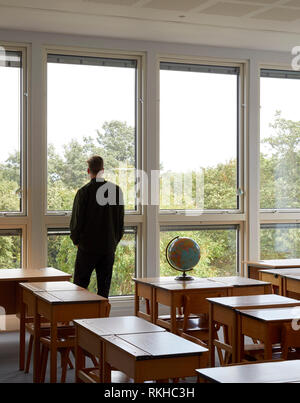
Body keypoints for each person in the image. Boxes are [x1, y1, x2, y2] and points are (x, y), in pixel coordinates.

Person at [70, 156, 124, 298]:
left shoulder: (84, 192)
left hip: (87, 248)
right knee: (104, 290)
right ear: (102, 170)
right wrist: (113, 242)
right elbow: (120, 224)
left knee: (80, 287)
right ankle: (102, 319)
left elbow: (77, 222)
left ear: (89, 170)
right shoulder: (116, 191)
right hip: (107, 248)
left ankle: (79, 318)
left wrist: (76, 240)